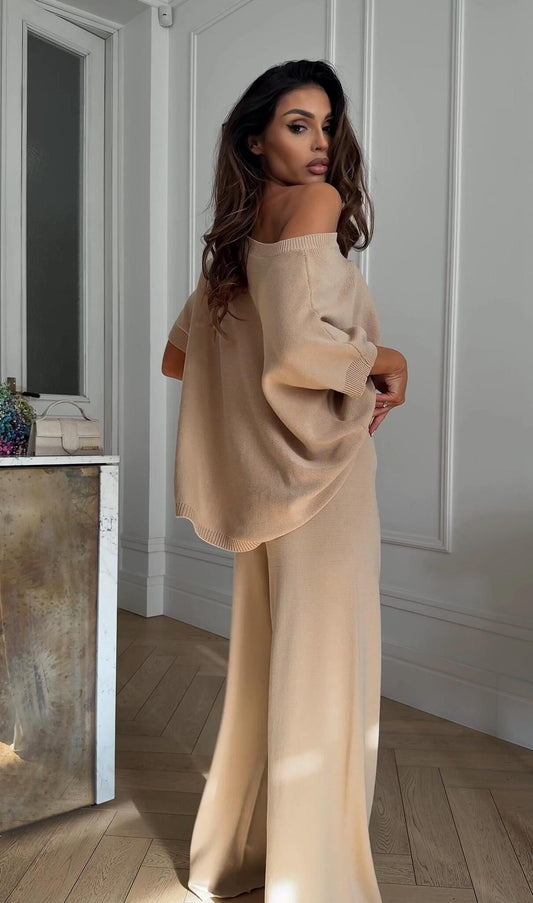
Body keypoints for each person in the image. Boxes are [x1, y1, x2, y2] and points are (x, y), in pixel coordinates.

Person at [162, 59, 407, 903]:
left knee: (269, 676)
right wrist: (382, 356)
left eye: (327, 125)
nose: (320, 143)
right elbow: (302, 346)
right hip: (325, 483)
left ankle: (236, 862)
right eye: (297, 124)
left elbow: (179, 357)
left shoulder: (234, 244)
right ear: (254, 139)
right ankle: (315, 883)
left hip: (264, 491)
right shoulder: (317, 204)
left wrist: (250, 390)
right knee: (327, 681)